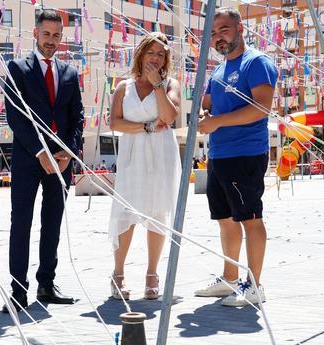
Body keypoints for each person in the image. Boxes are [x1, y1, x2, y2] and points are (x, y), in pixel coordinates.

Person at [194, 7, 278, 307]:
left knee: (250, 219)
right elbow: (208, 104)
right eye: (213, 33)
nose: (218, 37)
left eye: (224, 29)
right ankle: (229, 278)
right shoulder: (217, 71)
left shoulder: (256, 62)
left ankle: (254, 285)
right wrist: (207, 113)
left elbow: (261, 107)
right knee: (225, 220)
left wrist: (217, 121)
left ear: (240, 28)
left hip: (245, 153)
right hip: (219, 154)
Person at [2, 9, 84, 311]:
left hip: (62, 162)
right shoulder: (17, 68)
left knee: (52, 223)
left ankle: (46, 284)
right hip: (28, 159)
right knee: (21, 223)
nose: (51, 40)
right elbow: (16, 117)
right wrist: (41, 153)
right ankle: (18, 290)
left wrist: (67, 152)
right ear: (35, 34)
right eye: (46, 34)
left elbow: (77, 118)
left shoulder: (70, 73)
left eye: (56, 36)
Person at [107, 32, 180, 300]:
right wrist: (147, 127)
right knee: (126, 212)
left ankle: (152, 274)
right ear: (141, 54)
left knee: (157, 212)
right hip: (131, 153)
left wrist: (157, 85)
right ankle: (118, 274)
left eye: (161, 54)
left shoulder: (171, 83)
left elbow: (169, 116)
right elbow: (115, 123)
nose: (156, 58)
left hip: (161, 154)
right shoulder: (123, 87)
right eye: (152, 52)